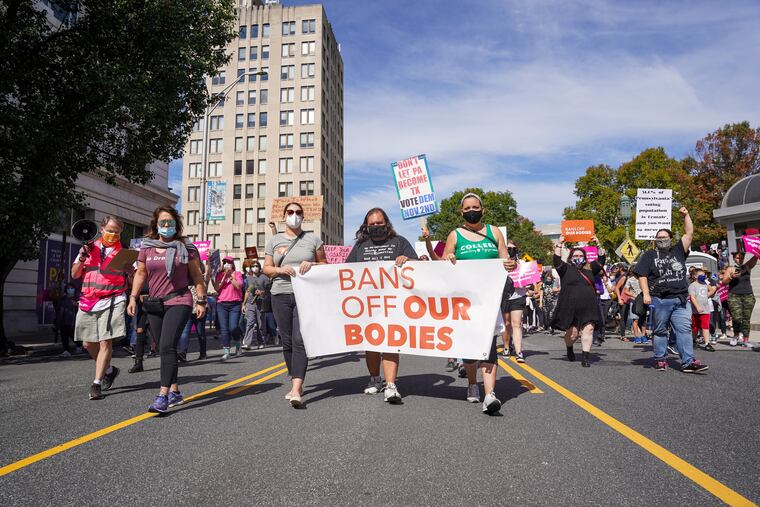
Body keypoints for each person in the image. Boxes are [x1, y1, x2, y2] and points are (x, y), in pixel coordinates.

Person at [128, 207, 207, 413]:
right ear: (155, 224)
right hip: (154, 303)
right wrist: (133, 297)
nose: (166, 226)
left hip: (179, 299)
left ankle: (162, 396)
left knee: (166, 346)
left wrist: (201, 300)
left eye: (170, 222)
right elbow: (141, 274)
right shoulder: (147, 247)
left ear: (176, 225)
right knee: (164, 348)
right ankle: (175, 391)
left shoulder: (186, 247)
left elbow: (197, 277)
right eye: (162, 222)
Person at [442, 192, 515, 414]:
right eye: (467, 208)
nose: (471, 211)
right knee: (470, 346)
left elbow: (505, 259)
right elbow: (445, 259)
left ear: (482, 210)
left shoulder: (494, 232)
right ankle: (473, 383)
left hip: (489, 298)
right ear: (461, 212)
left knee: (489, 344)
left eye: (475, 207)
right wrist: (448, 258)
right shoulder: (455, 235)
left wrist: (510, 264)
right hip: (465, 300)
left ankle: (490, 394)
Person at [345, 207, 418, 404]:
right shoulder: (360, 246)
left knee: (390, 342)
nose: (376, 226)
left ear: (386, 223)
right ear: (366, 226)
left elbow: (418, 267)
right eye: (372, 224)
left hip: (394, 303)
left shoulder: (400, 242)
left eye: (379, 223)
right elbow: (345, 270)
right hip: (367, 303)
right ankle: (375, 378)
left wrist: (407, 260)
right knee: (371, 343)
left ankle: (391, 384)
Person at [263, 202, 326, 408]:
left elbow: (325, 265)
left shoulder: (313, 240)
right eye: (290, 212)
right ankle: (294, 379)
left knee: (300, 340)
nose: (294, 215)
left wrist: (313, 264)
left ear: (303, 216)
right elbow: (267, 269)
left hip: (305, 295)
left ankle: (297, 388)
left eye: (298, 212)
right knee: (287, 341)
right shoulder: (274, 240)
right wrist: (281, 270)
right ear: (284, 216)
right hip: (280, 294)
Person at [633, 207, 708, 373]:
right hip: (660, 299)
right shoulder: (649, 255)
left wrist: (686, 215)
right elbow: (642, 275)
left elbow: (689, 233)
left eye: (664, 237)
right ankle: (660, 359)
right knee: (660, 331)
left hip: (680, 299)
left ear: (670, 238)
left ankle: (688, 361)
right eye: (658, 238)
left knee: (684, 330)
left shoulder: (678, 250)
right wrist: (645, 293)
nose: (661, 240)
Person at [71, 216, 130, 400]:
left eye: (117, 232)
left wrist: (132, 271)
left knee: (106, 342)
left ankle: (96, 384)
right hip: (88, 300)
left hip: (113, 299)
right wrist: (82, 257)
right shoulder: (88, 248)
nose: (113, 234)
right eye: (110, 230)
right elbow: (75, 274)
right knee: (87, 343)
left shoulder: (124, 253)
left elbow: (136, 279)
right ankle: (110, 370)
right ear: (102, 229)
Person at [550, 235, 606, 367]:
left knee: (589, 329)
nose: (578, 257)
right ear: (570, 258)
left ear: (585, 257)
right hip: (570, 306)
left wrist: (598, 243)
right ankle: (569, 347)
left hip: (588, 306)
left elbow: (602, 259)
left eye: (580, 255)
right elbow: (556, 260)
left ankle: (585, 357)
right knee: (573, 334)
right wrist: (560, 243)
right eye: (575, 256)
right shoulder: (565, 269)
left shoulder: (591, 268)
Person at [722, 251, 757, 347]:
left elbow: (755, 257)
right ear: (733, 258)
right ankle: (736, 335)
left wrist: (757, 250)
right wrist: (731, 277)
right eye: (737, 258)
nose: (739, 259)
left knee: (746, 319)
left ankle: (746, 340)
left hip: (748, 295)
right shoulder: (730, 269)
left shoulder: (747, 266)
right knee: (737, 318)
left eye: (741, 258)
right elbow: (724, 282)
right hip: (734, 296)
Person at [178, 262, 212, 361]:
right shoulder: (185, 279)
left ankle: (203, 353)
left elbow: (209, 273)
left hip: (201, 309)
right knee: (185, 332)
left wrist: (208, 261)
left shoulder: (203, 278)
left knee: (200, 332)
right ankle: (183, 353)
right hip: (188, 308)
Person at [213, 256, 244, 360]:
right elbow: (217, 288)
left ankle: (238, 341)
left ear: (232, 264)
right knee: (224, 329)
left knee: (233, 327)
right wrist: (223, 276)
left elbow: (239, 286)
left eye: (229, 263)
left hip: (235, 304)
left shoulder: (237, 274)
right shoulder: (219, 274)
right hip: (222, 304)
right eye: (225, 262)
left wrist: (231, 277)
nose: (227, 264)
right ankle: (226, 350)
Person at [502, 240, 528, 362]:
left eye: (513, 248)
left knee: (516, 324)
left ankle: (519, 352)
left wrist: (526, 284)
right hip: (504, 297)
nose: (511, 250)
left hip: (518, 296)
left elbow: (529, 279)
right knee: (506, 324)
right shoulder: (500, 262)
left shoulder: (522, 263)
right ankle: (506, 346)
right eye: (508, 248)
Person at [242, 261, 271, 350]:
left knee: (260, 324)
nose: (255, 267)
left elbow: (268, 291)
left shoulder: (264, 278)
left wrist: (262, 293)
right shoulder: (248, 278)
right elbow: (247, 291)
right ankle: (247, 343)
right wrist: (244, 304)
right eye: (253, 266)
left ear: (259, 267)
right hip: (250, 303)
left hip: (261, 303)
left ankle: (261, 341)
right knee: (250, 322)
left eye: (256, 266)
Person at [689, 268, 716, 352]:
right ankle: (693, 340)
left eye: (704, 275)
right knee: (695, 327)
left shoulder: (705, 283)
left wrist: (706, 295)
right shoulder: (692, 285)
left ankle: (707, 343)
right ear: (694, 276)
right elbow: (692, 297)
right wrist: (697, 307)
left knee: (705, 326)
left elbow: (712, 290)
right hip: (695, 311)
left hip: (705, 310)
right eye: (701, 275)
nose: (703, 276)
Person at [623, 266, 647, 343]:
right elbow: (625, 291)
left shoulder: (644, 279)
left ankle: (643, 336)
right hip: (634, 302)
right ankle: (636, 337)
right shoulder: (630, 280)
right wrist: (634, 295)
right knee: (635, 319)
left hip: (643, 301)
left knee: (643, 319)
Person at [56, 282, 79, 357]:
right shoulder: (63, 299)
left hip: (73, 321)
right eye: (68, 288)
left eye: (71, 288)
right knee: (64, 336)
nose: (70, 290)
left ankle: (79, 346)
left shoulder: (77, 299)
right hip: (64, 320)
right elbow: (59, 310)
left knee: (72, 335)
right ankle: (66, 350)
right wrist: (57, 322)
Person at [540, 269, 560, 334]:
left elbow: (559, 289)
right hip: (545, 301)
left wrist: (556, 291)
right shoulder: (543, 284)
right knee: (546, 314)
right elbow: (541, 293)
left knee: (552, 314)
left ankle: (551, 327)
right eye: (547, 279)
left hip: (553, 300)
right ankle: (547, 326)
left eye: (549, 279)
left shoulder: (555, 283)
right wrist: (540, 302)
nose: (548, 280)